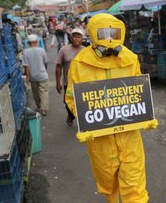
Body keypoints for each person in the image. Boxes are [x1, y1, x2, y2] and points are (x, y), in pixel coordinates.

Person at [65, 13, 155, 203]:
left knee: (135, 184)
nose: (109, 38)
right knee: (108, 182)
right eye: (104, 33)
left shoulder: (130, 58)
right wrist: (82, 119)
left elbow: (138, 91)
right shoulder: (80, 63)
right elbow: (72, 97)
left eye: (113, 33)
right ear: (93, 34)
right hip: (100, 138)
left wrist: (146, 115)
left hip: (129, 134)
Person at [56, 28, 85, 126]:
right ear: (70, 38)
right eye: (74, 37)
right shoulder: (64, 50)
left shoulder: (85, 51)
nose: (76, 39)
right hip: (68, 83)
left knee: (82, 103)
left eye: (79, 37)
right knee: (68, 102)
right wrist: (57, 82)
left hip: (82, 82)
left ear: (82, 39)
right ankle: (71, 115)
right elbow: (59, 66)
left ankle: (81, 120)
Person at [23, 34, 49, 116]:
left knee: (35, 93)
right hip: (43, 75)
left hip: (33, 76)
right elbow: (46, 62)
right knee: (44, 92)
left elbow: (26, 66)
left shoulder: (25, 52)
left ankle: (39, 106)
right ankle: (43, 109)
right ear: (37, 42)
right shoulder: (41, 50)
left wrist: (27, 77)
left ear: (28, 42)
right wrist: (45, 70)